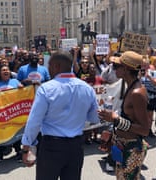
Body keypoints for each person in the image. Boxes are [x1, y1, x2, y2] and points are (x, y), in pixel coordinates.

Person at [21, 51, 100, 180]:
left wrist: (26, 148)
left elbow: (34, 121)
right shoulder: (86, 88)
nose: (48, 69)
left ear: (57, 66)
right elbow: (94, 118)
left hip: (52, 147)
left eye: (50, 65)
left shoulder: (46, 89)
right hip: (76, 147)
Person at [98, 51, 151, 179]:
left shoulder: (137, 93)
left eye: (116, 66)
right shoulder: (130, 87)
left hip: (132, 148)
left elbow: (144, 129)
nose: (113, 69)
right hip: (123, 146)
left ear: (126, 69)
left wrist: (116, 120)